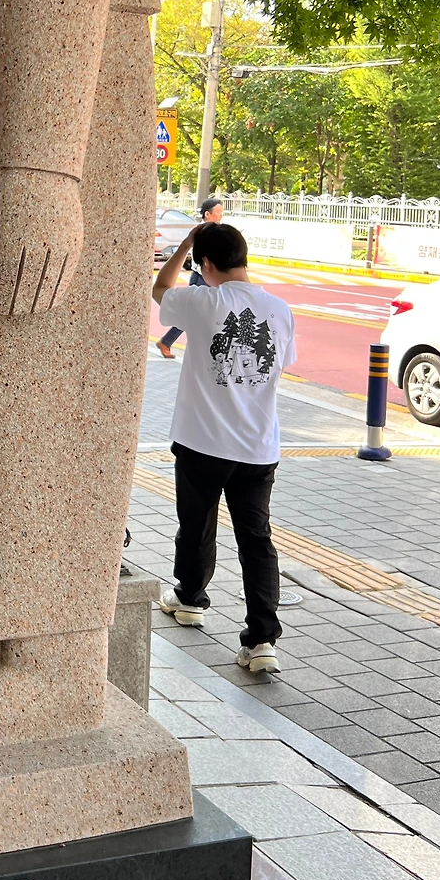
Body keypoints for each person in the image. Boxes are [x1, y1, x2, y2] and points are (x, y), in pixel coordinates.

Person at [151, 220, 295, 675]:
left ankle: (190, 599)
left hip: (203, 441)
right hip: (258, 446)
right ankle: (262, 641)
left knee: (196, 524)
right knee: (257, 540)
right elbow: (281, 364)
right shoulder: (280, 310)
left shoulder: (202, 301)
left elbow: (159, 289)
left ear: (206, 264)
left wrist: (184, 245)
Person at [156, 197, 223, 357]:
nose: (221, 215)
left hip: (205, 276)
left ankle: (166, 342)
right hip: (202, 276)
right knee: (195, 313)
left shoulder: (212, 231)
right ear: (207, 214)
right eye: (218, 211)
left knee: (196, 313)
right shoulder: (203, 232)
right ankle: (167, 342)